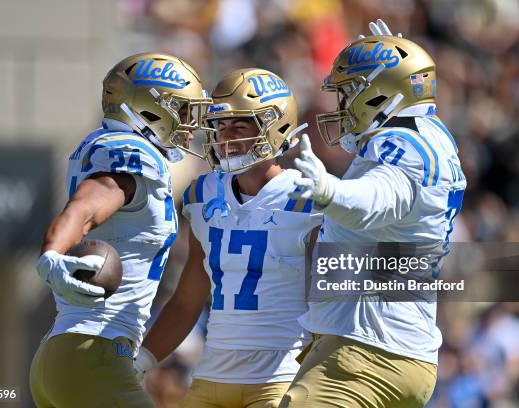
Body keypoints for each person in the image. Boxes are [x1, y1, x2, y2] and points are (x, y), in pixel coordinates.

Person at [279, 20, 467, 408]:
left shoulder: (402, 146)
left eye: (349, 92)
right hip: (392, 347)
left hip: (368, 350)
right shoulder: (431, 135)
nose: (342, 105)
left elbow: (379, 199)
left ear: (380, 95)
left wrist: (330, 191)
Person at [29, 52, 212, 408]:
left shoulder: (116, 148)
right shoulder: (131, 151)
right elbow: (87, 204)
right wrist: (52, 253)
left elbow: (187, 298)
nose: (190, 124)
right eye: (182, 110)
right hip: (93, 355)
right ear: (147, 108)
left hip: (71, 354)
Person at [138, 68, 322, 408]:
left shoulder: (308, 197)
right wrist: (142, 362)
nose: (225, 136)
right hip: (211, 377)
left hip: (279, 377)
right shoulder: (202, 194)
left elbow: (333, 307)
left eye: (239, 125)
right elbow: (187, 300)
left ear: (275, 126)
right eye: (219, 126)